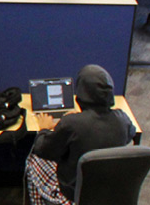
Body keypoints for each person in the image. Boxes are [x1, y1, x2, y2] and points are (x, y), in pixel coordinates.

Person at [26, 64, 137, 205]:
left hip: (73, 194)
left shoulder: (71, 123)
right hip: (108, 191)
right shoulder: (122, 119)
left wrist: (43, 129)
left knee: (33, 158)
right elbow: (130, 134)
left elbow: (43, 150)